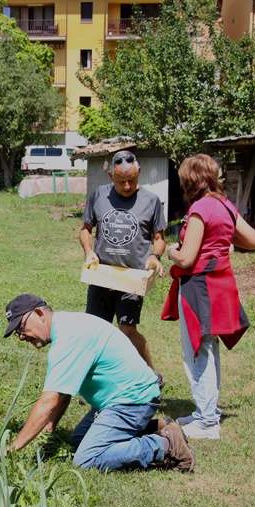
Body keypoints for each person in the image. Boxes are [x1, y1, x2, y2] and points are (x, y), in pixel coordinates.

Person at [2, 294, 195, 473]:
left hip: (133, 401)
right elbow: (63, 393)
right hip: (125, 397)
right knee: (79, 439)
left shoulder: (68, 341)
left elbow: (48, 402)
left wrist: (14, 447)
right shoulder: (67, 324)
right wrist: (49, 428)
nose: (21, 336)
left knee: (86, 459)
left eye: (21, 327)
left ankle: (165, 444)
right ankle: (155, 427)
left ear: (38, 314)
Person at [163, 154, 255, 440]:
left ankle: (206, 422)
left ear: (190, 180)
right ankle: (207, 412)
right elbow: (254, 240)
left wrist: (170, 250)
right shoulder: (224, 205)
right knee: (209, 347)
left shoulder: (199, 209)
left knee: (196, 350)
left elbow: (186, 258)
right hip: (220, 284)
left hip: (199, 286)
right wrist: (224, 241)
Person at [79, 150, 166, 385]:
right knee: (97, 332)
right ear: (110, 176)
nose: (127, 186)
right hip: (102, 276)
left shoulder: (151, 200)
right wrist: (89, 252)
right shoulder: (98, 196)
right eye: (120, 181)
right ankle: (99, 384)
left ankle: (151, 375)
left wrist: (155, 256)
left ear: (140, 172)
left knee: (127, 329)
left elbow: (159, 237)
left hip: (132, 279)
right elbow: (85, 230)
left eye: (132, 180)